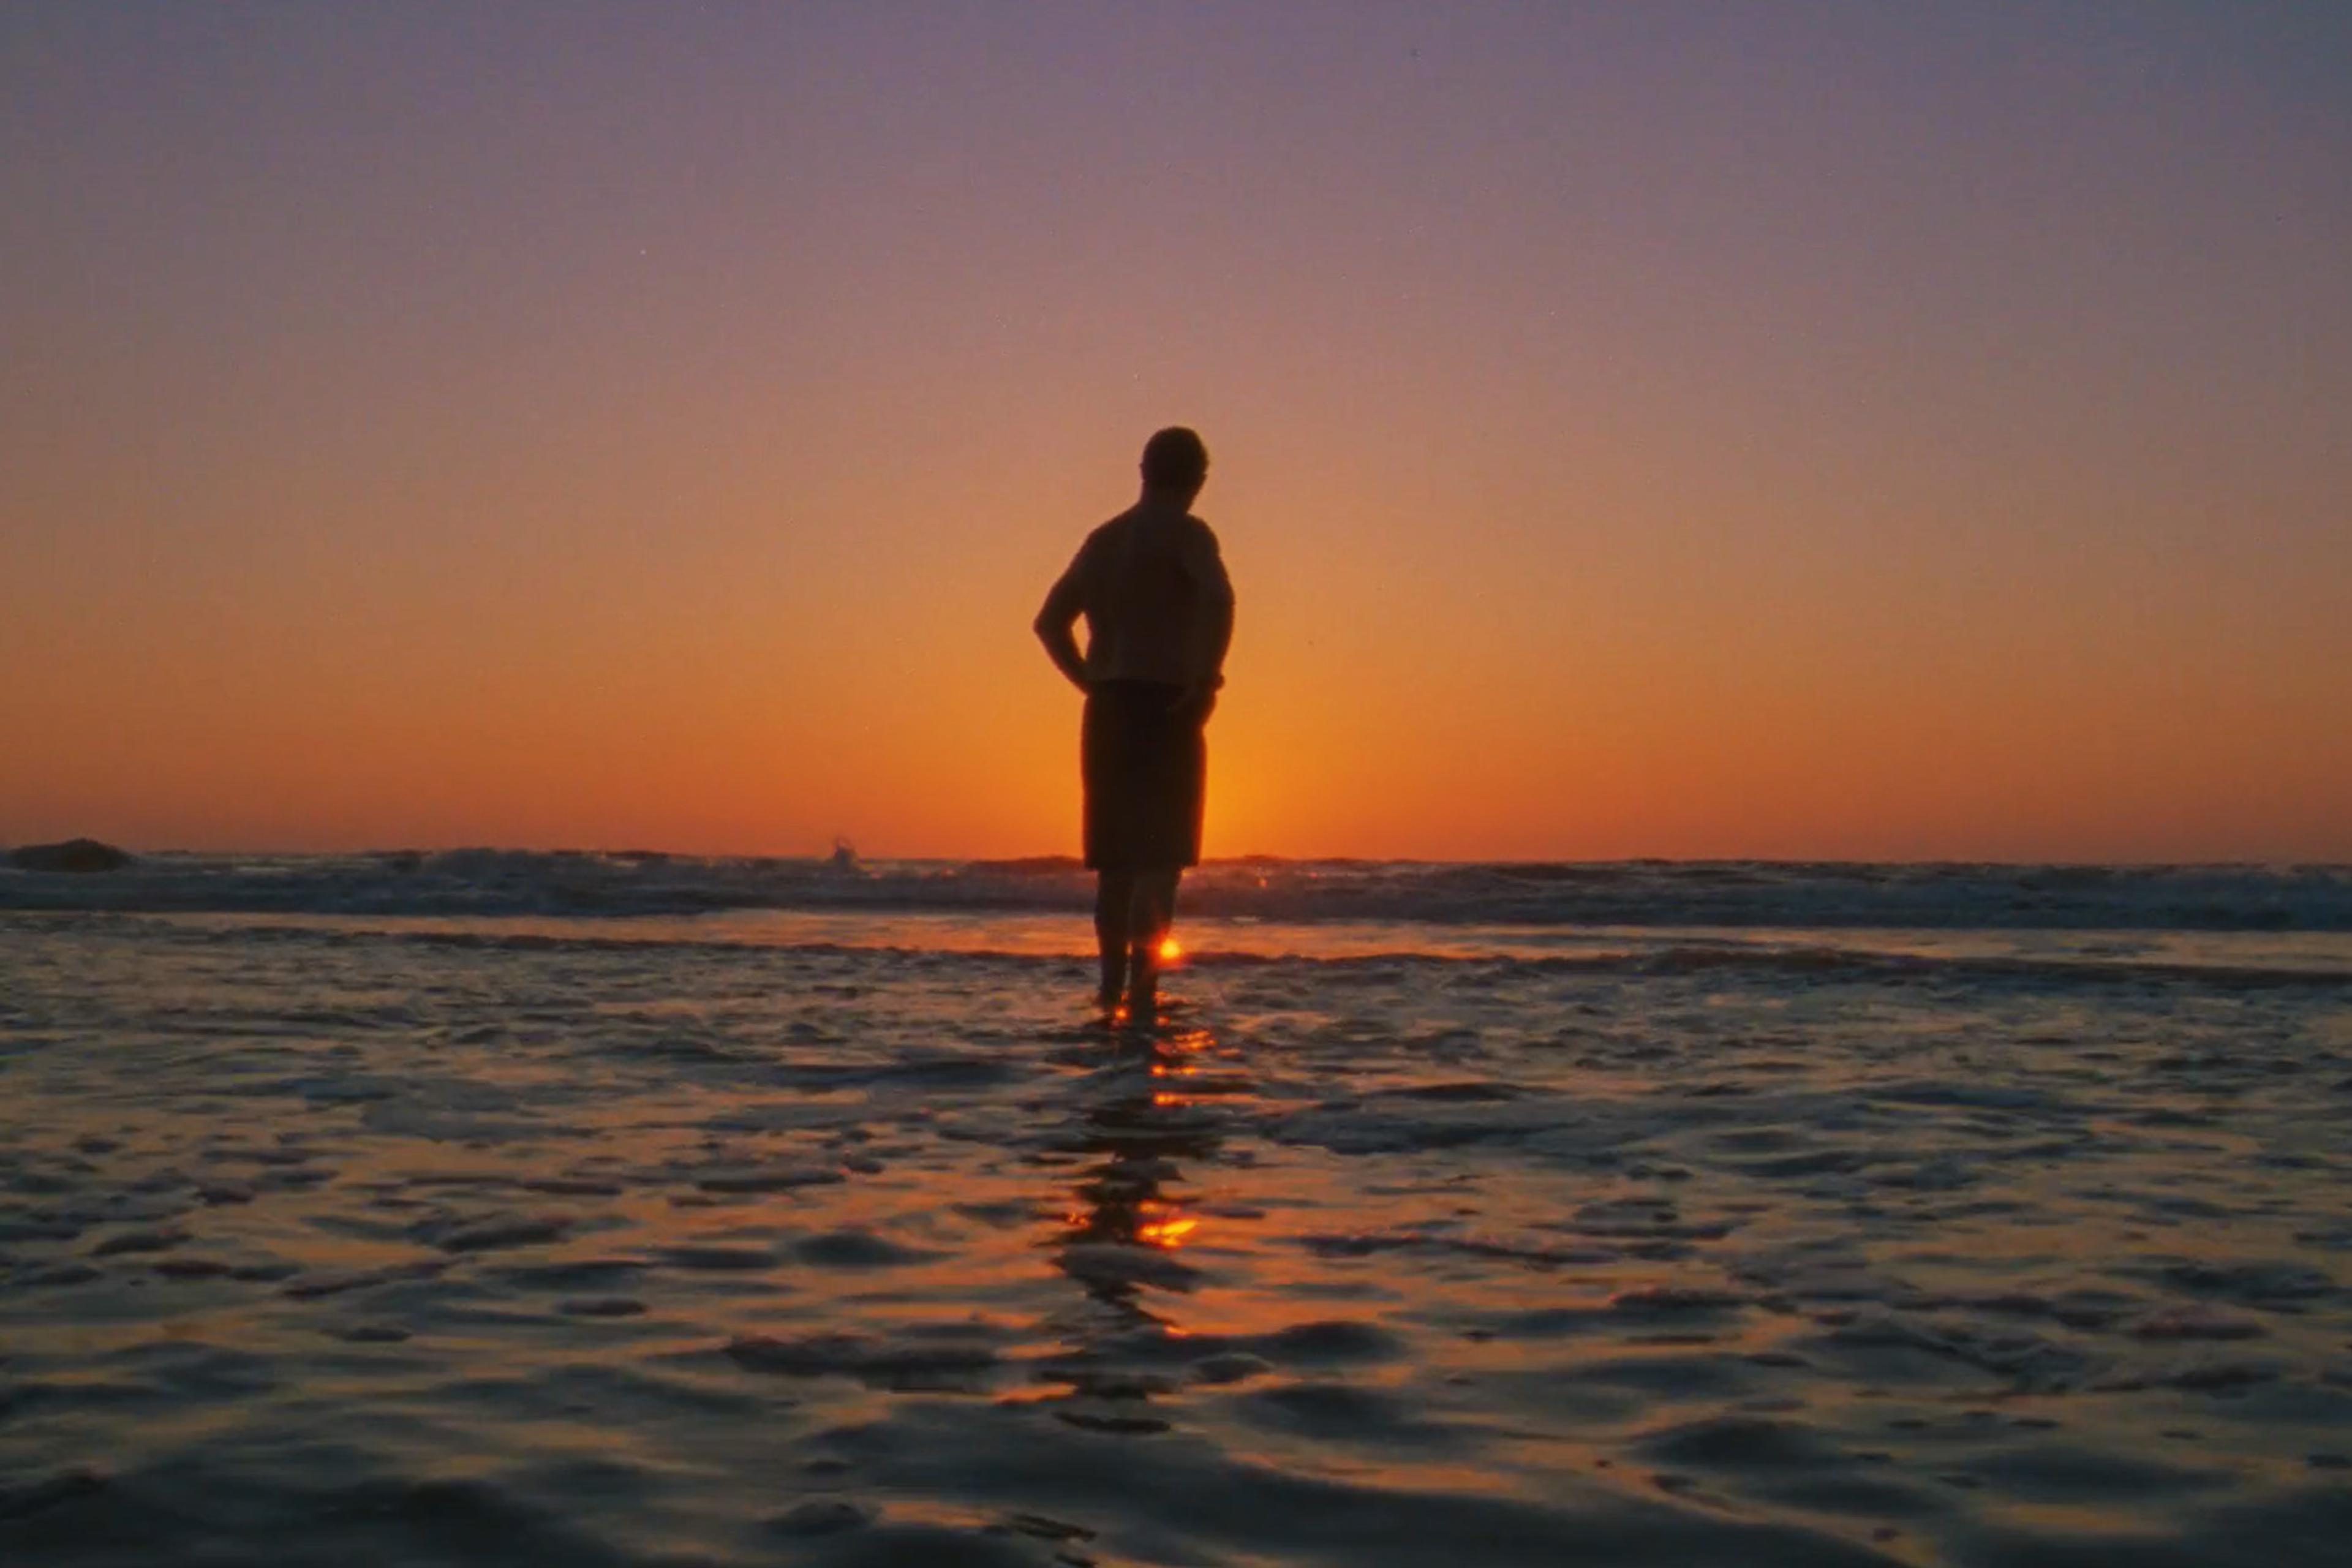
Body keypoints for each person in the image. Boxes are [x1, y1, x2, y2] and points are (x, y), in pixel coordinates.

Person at [1035, 427, 1235, 1022]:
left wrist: (1090, 682)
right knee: (1159, 862)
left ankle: (1109, 991)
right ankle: (1144, 996)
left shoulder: (1105, 539)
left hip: (1108, 707)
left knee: (1116, 866)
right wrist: (1205, 679)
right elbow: (1220, 599)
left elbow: (1049, 623)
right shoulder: (1187, 533)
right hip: (1166, 702)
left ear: (1143, 471)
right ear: (1199, 479)